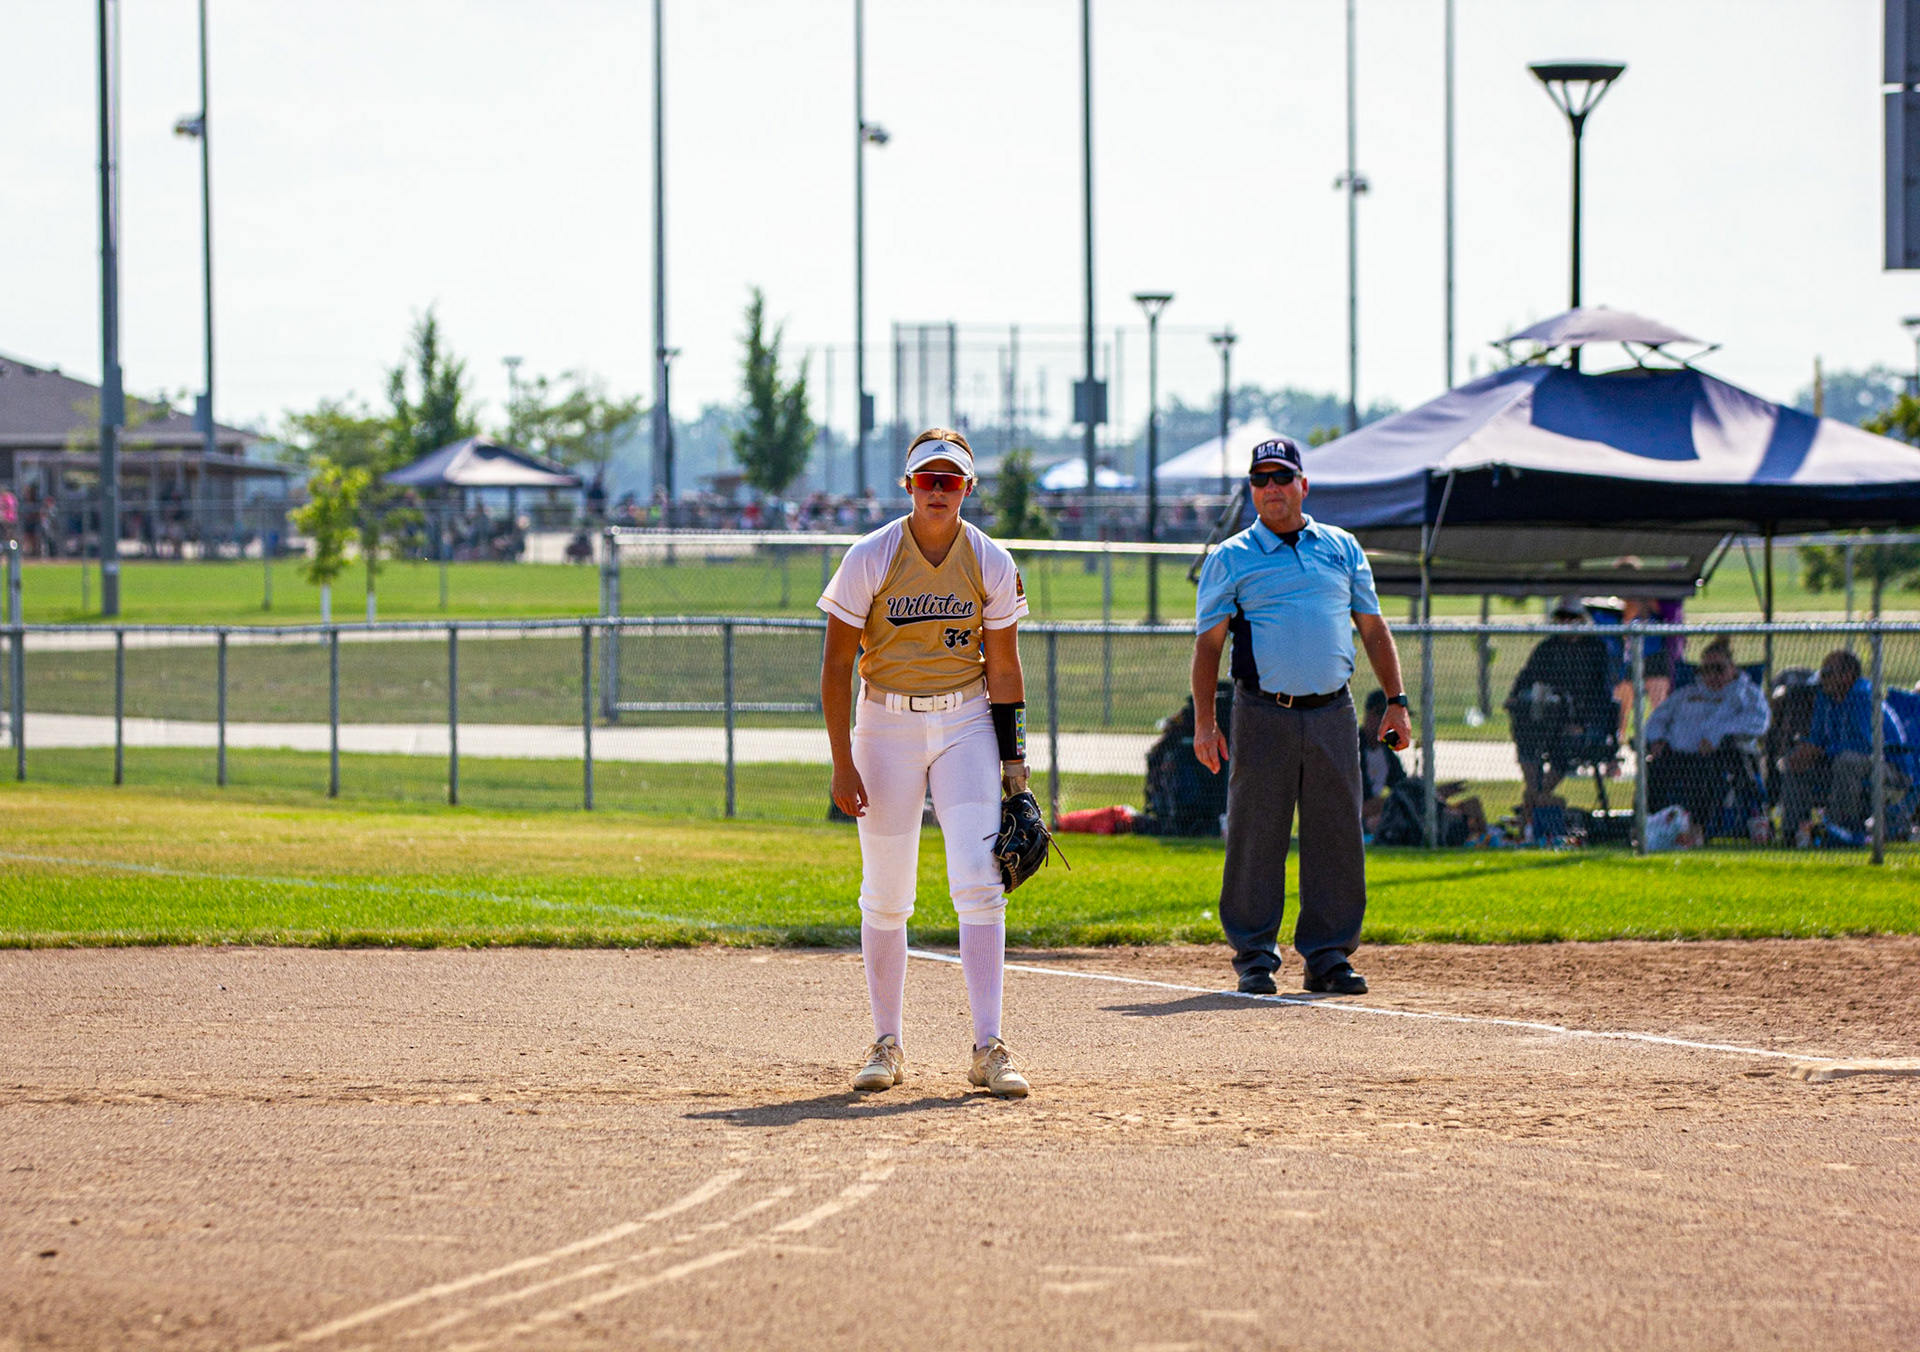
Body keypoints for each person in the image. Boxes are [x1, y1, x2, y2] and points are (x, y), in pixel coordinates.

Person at [819, 428, 1033, 1098]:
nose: (938, 490)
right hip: (885, 724)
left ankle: (988, 1046)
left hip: (966, 722)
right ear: (908, 485)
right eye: (927, 479)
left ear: (968, 487)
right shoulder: (872, 555)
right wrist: (841, 761)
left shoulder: (990, 560)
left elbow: (1004, 667)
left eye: (950, 480)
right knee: (886, 891)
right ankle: (886, 1042)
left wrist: (1015, 762)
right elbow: (836, 664)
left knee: (980, 880)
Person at [1190, 437, 1411, 996]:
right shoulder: (1231, 557)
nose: (1271, 488)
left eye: (1282, 477)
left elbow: (1373, 628)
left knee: (1337, 834)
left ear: (1303, 485)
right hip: (1263, 712)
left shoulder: (1341, 547)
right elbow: (1208, 648)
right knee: (1256, 834)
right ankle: (1255, 957)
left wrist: (1397, 701)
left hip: (1334, 709)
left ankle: (1329, 955)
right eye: (1260, 479)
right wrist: (1205, 723)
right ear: (1251, 491)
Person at [1641, 636, 1769, 839]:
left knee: (1710, 771)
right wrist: (1657, 739)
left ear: (1732, 668)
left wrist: (1718, 737)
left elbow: (1758, 722)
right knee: (1653, 769)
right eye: (1706, 669)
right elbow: (1657, 720)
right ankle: (1651, 827)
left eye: (1719, 669)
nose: (1712, 675)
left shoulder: (1746, 693)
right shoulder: (1686, 693)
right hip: (1678, 755)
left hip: (1720, 756)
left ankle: (1697, 829)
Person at [1505, 598, 1616, 825]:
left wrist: (1583, 725)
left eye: (1571, 618)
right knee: (1524, 731)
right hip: (1550, 721)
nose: (1565, 622)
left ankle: (1533, 801)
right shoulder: (1548, 648)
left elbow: (1602, 696)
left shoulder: (1595, 650)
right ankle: (1537, 796)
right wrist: (1515, 697)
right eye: (1561, 617)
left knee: (1566, 743)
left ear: (1581, 619)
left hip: (1585, 724)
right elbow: (1527, 677)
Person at [1779, 649, 1906, 840]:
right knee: (1796, 761)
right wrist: (1806, 750)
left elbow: (1867, 746)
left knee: (1847, 761)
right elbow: (1817, 738)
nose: (1822, 678)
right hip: (1839, 761)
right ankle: (1794, 832)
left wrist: (1822, 750)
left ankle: (1838, 830)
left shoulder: (1863, 696)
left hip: (1889, 766)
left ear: (1847, 676)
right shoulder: (1825, 697)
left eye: (1827, 673)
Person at [1359, 689, 1486, 846]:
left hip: (1384, 812)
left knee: (1472, 806)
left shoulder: (1385, 752)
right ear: (1374, 716)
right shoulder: (1355, 749)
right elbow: (1360, 807)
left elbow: (1403, 787)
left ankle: (1483, 842)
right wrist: (1412, 797)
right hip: (1360, 821)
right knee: (1399, 819)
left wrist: (1432, 793)